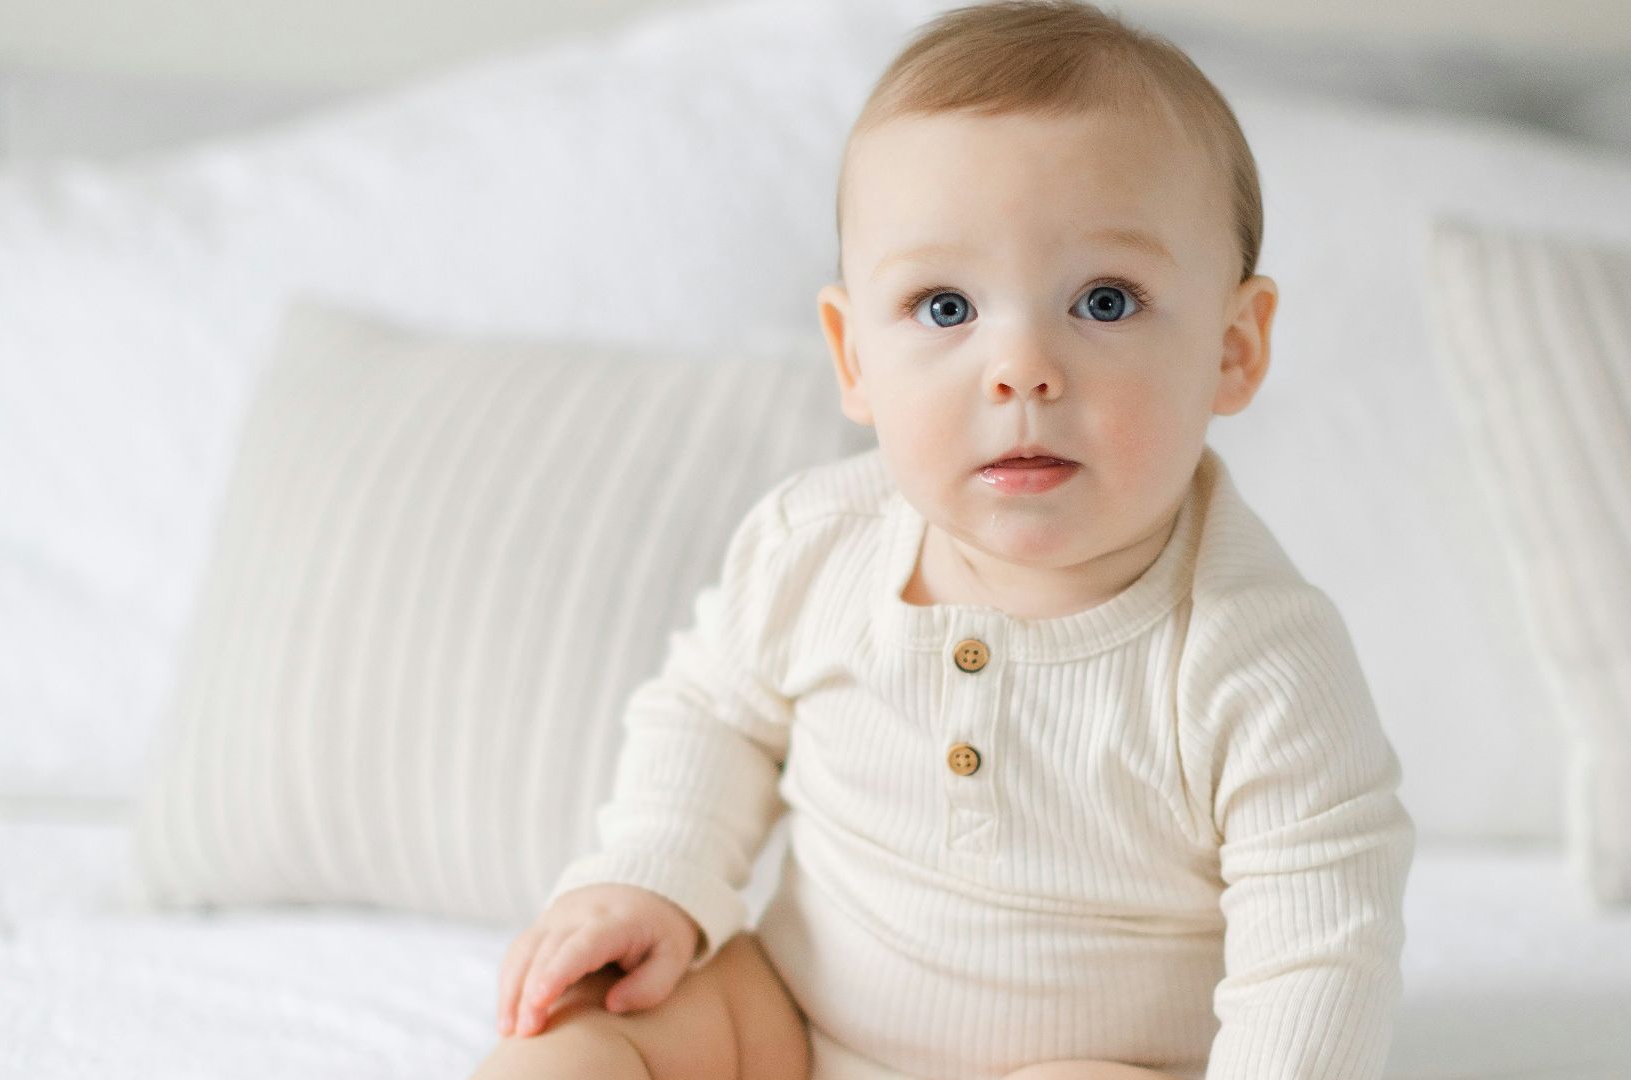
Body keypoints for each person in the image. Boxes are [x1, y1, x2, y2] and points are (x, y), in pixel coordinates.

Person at [468, 1, 1415, 1077]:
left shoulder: (1259, 659)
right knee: (571, 1037)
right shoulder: (814, 546)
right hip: (791, 1024)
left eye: (1105, 301)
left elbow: (1318, 953)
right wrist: (652, 874)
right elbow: (712, 711)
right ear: (853, 357)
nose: (1021, 370)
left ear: (1234, 348)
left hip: (1097, 1061)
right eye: (946, 307)